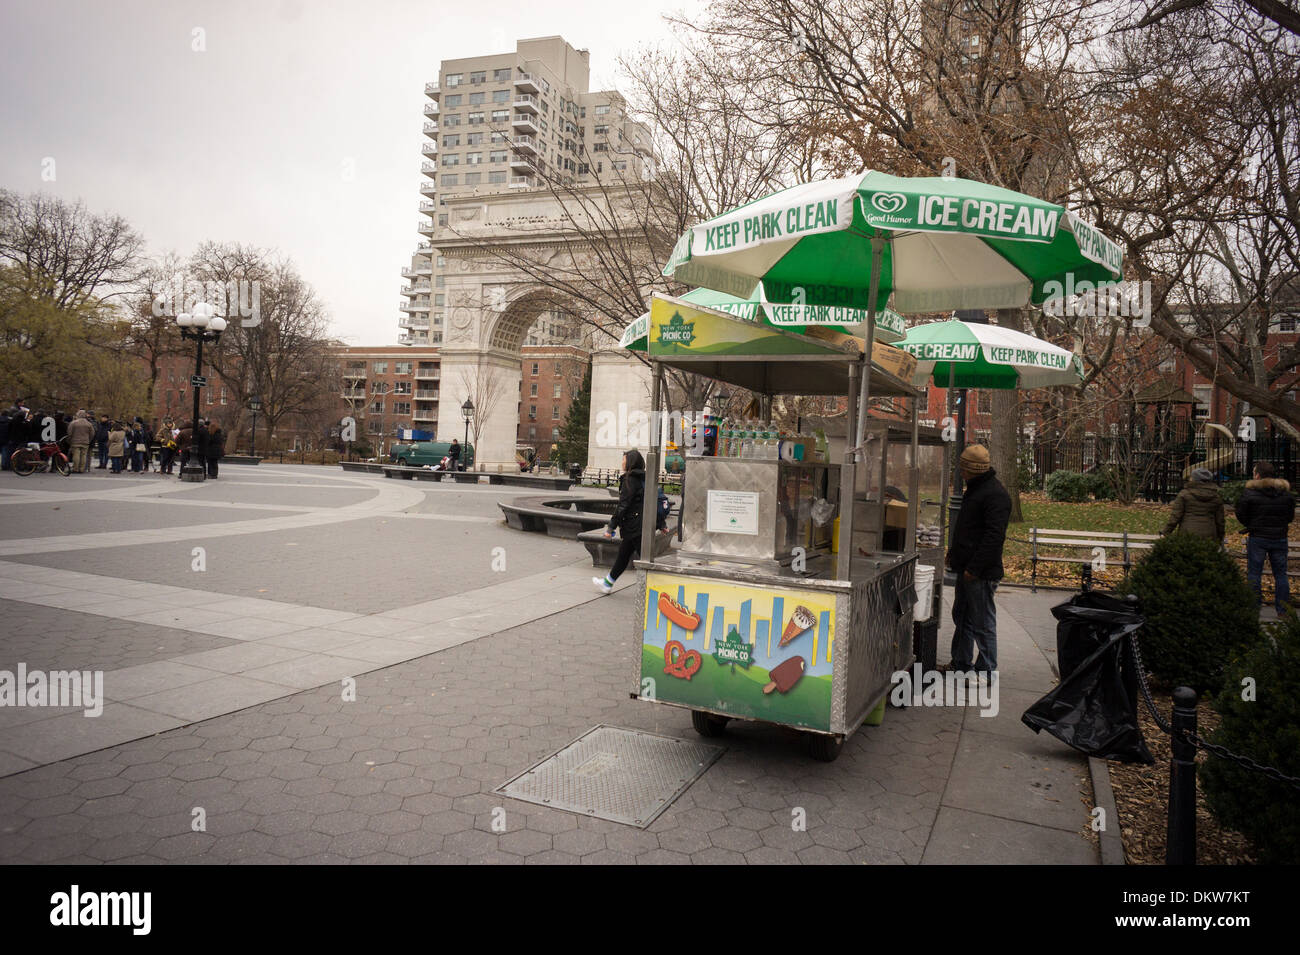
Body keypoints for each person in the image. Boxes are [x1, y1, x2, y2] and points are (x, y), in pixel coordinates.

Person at [945, 444, 1011, 677]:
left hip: (980, 572)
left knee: (982, 623)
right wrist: (954, 554)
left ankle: (986, 670)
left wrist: (974, 568)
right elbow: (968, 528)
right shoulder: (976, 489)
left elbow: (994, 537)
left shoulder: (994, 494)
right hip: (968, 568)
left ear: (973, 470)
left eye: (963, 469)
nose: (961, 473)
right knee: (963, 617)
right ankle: (960, 663)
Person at [1235, 461, 1295, 614]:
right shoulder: (1285, 494)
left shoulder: (1250, 494)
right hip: (1279, 536)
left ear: (1258, 475)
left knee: (1254, 573)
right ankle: (1283, 610)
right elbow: (1289, 516)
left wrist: (1251, 523)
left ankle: (1253, 608)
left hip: (1258, 536)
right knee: (1281, 574)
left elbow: (1241, 513)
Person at [593, 449, 646, 595]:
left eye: (624, 459)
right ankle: (607, 583)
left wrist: (611, 527)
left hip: (634, 525)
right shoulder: (643, 478)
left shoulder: (630, 479)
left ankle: (660, 589)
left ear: (630, 462)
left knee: (645, 560)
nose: (622, 462)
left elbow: (623, 506)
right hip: (639, 524)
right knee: (624, 555)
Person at [1162, 467, 1224, 541]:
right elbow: (1220, 521)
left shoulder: (1184, 494)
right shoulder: (1216, 496)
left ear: (1194, 479)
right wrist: (1220, 537)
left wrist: (1166, 532)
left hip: (1187, 532)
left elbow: (1175, 516)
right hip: (1209, 534)